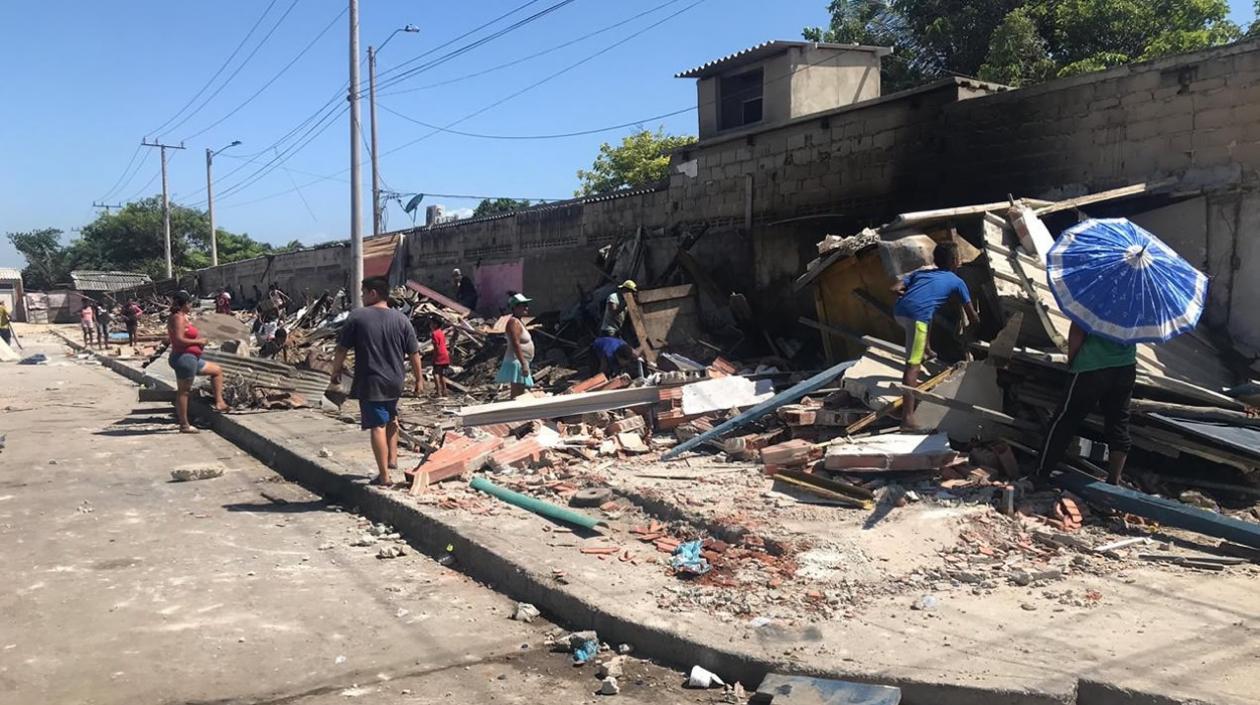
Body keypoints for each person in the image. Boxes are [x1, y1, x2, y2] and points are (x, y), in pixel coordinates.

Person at [330, 277, 423, 486]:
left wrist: (335, 371)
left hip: (372, 380)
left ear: (373, 293)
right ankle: (392, 459)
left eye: (363, 293)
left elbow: (342, 349)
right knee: (391, 417)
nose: (362, 297)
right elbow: (415, 353)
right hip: (396, 380)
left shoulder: (358, 317)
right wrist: (419, 379)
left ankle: (384, 476)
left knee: (377, 426)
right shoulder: (401, 319)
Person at [1035, 322, 1137, 486]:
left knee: (1064, 421)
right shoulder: (1141, 304)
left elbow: (1077, 330)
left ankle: (1040, 474)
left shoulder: (1097, 298)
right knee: (1118, 424)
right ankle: (1113, 481)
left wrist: (1073, 361)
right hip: (1125, 367)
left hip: (1091, 364)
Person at [891, 242, 979, 430]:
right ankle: (907, 419)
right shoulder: (957, 282)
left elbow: (894, 288)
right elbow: (972, 316)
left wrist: (909, 297)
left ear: (934, 260)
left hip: (899, 312)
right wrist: (974, 332)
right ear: (956, 261)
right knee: (913, 366)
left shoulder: (920, 273)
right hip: (917, 320)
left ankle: (928, 349)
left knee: (929, 311)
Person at [167, 290, 228, 433]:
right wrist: (198, 341)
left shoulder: (183, 317)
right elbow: (178, 340)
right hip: (185, 359)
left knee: (216, 371)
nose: (192, 306)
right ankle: (184, 425)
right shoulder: (178, 318)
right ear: (184, 304)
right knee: (184, 392)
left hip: (193, 358)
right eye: (190, 303)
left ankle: (219, 402)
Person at [496, 293, 535, 399]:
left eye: (526, 304)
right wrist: (523, 364)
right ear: (515, 307)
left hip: (520, 362)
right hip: (517, 362)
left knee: (520, 390)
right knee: (518, 392)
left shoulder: (519, 322)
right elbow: (515, 343)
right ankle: (515, 414)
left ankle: (517, 413)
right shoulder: (514, 322)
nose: (526, 307)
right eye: (523, 305)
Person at [429, 317, 451, 398]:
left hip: (439, 355)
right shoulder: (441, 332)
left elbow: (436, 347)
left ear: (435, 324)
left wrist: (434, 357)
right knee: (442, 374)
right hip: (445, 354)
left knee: (435, 373)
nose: (430, 325)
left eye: (431, 323)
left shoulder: (434, 334)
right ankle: (444, 391)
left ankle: (438, 392)